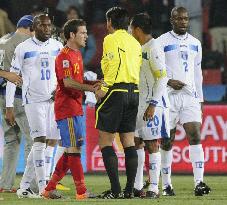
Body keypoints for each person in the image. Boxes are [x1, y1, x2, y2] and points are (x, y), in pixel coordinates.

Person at [5, 14, 63, 198]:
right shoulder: (23, 48)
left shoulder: (57, 46)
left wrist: (60, 90)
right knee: (40, 141)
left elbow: (62, 73)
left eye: (49, 26)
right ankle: (44, 186)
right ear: (34, 27)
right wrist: (9, 106)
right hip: (33, 101)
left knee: (51, 142)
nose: (47, 28)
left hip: (53, 101)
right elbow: (13, 78)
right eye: (43, 26)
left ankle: (24, 186)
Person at [156, 7, 211, 196]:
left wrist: (201, 100)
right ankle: (167, 185)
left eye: (185, 19)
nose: (183, 22)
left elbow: (198, 74)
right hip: (168, 96)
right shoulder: (161, 41)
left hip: (190, 97)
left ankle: (199, 183)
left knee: (195, 136)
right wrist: (169, 81)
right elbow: (154, 70)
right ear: (172, 20)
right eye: (179, 19)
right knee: (167, 141)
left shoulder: (196, 43)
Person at [42, 19, 98, 200]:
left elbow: (78, 81)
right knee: (74, 150)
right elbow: (67, 83)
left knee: (70, 151)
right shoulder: (64, 56)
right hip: (66, 108)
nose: (86, 36)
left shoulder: (77, 54)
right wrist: (91, 89)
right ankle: (81, 192)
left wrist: (94, 83)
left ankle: (49, 189)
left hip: (76, 107)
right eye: (82, 32)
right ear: (72, 35)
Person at [95, 7, 142, 199]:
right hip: (134, 91)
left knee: (106, 141)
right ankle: (129, 190)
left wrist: (104, 88)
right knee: (128, 141)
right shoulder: (135, 42)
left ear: (110, 22)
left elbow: (113, 64)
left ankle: (115, 190)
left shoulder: (111, 39)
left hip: (116, 90)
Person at [130, 13, 170, 199]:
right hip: (138, 104)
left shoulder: (154, 48)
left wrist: (153, 104)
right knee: (136, 143)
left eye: (131, 28)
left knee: (152, 145)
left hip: (152, 105)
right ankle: (137, 186)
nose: (130, 31)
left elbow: (162, 77)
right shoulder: (139, 47)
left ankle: (154, 187)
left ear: (137, 29)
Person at [0, 15, 34, 193]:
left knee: (10, 140)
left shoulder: (3, 39)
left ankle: (5, 184)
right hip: (19, 97)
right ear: (29, 28)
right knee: (33, 140)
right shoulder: (24, 42)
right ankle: (31, 186)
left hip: (2, 96)